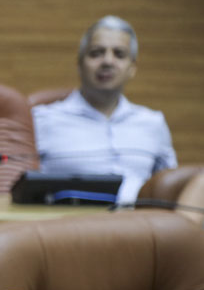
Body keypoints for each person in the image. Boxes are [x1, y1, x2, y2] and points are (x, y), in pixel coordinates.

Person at [32, 15, 176, 204]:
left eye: (119, 54)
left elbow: (168, 186)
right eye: (96, 53)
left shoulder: (153, 122)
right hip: (69, 225)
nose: (108, 61)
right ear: (79, 64)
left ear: (132, 68)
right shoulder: (42, 120)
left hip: (138, 224)